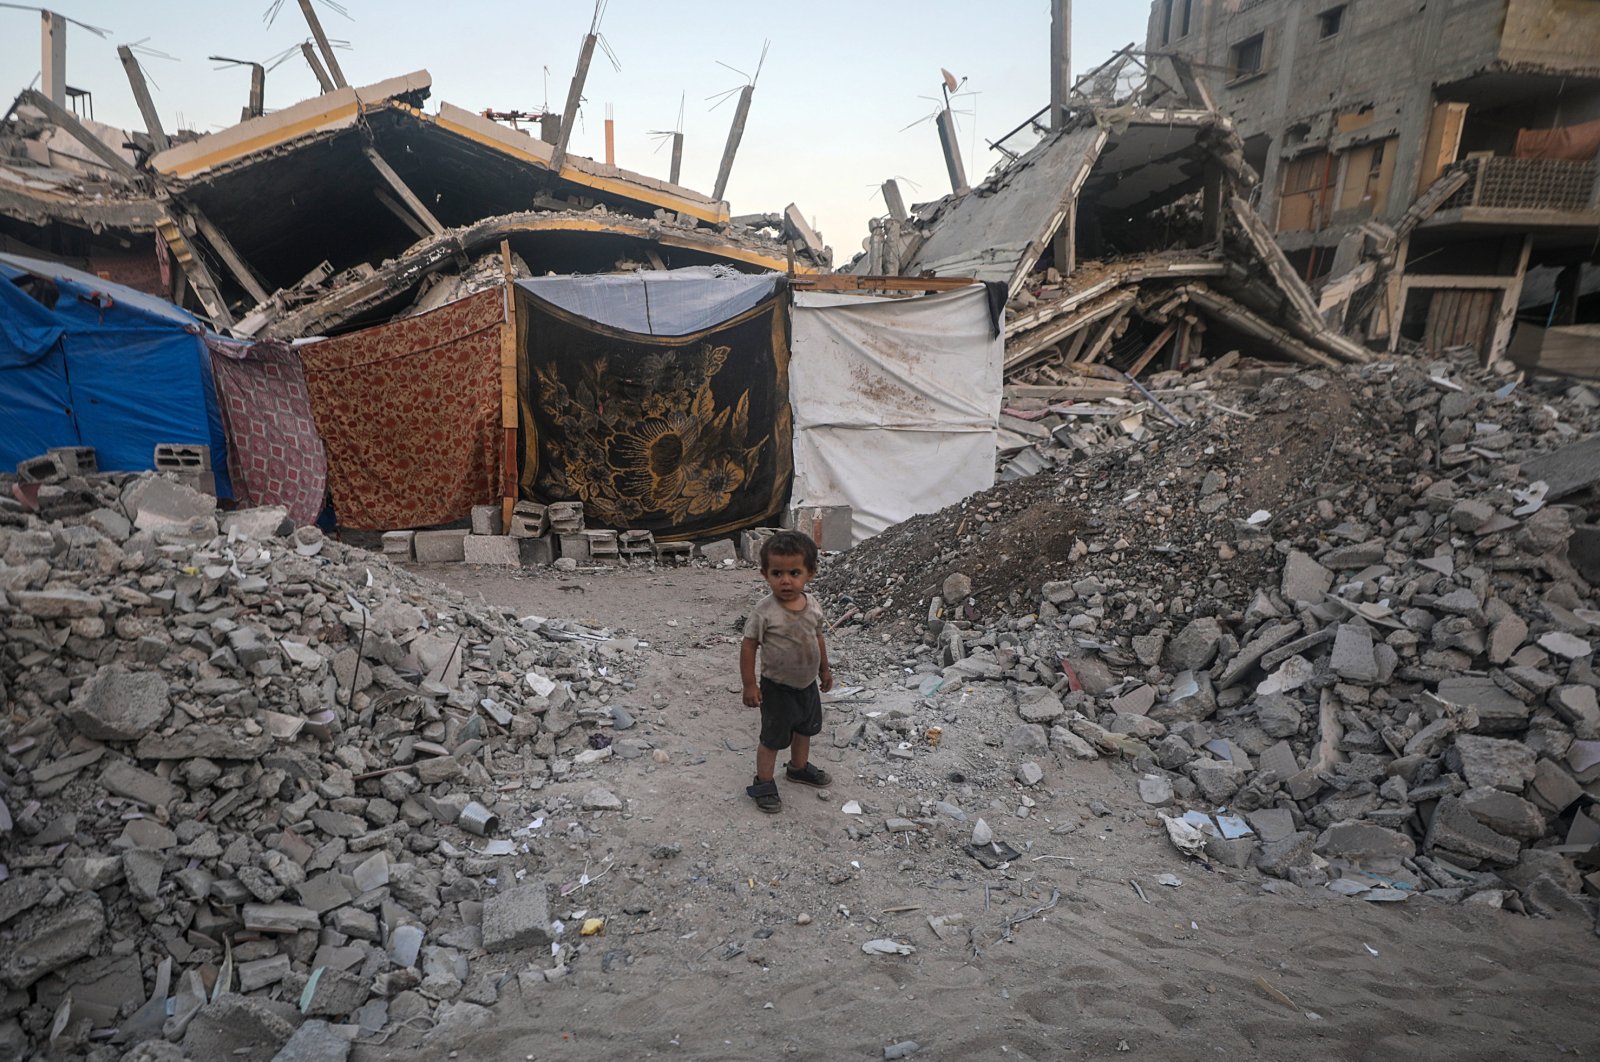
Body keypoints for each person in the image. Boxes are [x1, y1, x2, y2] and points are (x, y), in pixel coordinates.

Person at [740, 530, 833, 813]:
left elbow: (817, 638)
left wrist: (825, 670)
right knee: (772, 738)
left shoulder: (813, 605)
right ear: (764, 574)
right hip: (777, 688)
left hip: (806, 685)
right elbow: (748, 647)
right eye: (777, 573)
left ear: (811, 573)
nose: (786, 581)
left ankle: (798, 768)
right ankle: (764, 782)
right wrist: (749, 685)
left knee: (804, 729)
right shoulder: (764, 611)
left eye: (794, 572)